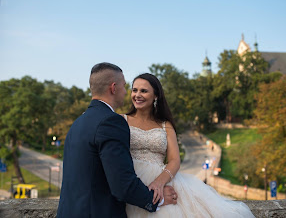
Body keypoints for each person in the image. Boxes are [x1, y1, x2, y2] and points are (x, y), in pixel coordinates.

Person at [123, 73, 255, 217]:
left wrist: (159, 183)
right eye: (134, 90)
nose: (137, 95)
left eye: (144, 91)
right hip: (131, 179)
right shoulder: (121, 120)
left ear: (156, 96)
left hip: (162, 180)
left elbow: (174, 160)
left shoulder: (165, 125)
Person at [57, 63, 177, 218]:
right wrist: (155, 200)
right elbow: (122, 184)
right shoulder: (111, 122)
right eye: (126, 87)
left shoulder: (78, 122)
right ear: (113, 88)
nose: (127, 92)